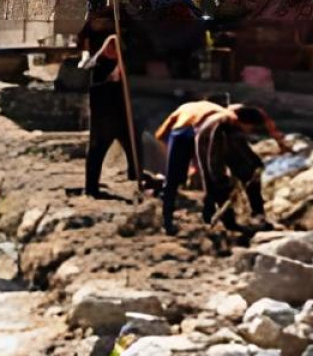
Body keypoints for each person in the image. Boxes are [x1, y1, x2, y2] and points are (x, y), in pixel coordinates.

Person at [156, 99, 277, 232]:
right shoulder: (217, 124)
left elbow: (241, 148)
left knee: (247, 170)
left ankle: (257, 214)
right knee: (178, 178)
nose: (250, 131)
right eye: (250, 128)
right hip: (184, 132)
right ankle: (168, 221)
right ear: (242, 122)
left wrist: (255, 164)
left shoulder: (232, 121)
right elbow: (211, 161)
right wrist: (221, 181)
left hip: (205, 124)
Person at [81, 31, 134, 199]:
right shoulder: (96, 64)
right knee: (96, 152)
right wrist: (110, 79)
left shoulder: (123, 63)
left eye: (115, 48)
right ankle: (91, 188)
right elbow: (93, 89)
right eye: (110, 48)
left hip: (120, 115)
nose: (112, 51)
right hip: (102, 117)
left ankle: (135, 178)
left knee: (133, 148)